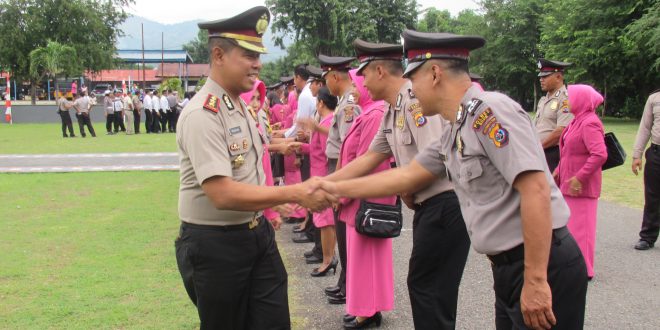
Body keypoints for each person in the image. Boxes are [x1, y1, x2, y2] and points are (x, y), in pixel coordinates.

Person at [311, 30, 589, 330]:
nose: (411, 89)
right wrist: (329, 187)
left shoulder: (489, 111)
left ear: (434, 73)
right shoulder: (455, 129)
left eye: (413, 79)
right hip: (508, 269)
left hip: (541, 265)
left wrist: (535, 280)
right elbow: (406, 175)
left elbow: (535, 190)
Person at [174, 7, 335, 329]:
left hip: (255, 234)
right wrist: (294, 193)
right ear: (218, 54)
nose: (258, 64)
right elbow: (221, 193)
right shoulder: (203, 113)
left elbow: (248, 167)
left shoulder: (238, 106)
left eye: (258, 55)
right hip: (216, 245)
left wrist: (275, 201)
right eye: (248, 55)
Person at [321, 38, 470, 329]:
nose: (359, 80)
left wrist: (405, 188)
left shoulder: (415, 103)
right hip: (429, 208)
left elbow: (437, 161)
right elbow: (368, 159)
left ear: (379, 72)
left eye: (362, 73)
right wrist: (322, 185)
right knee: (425, 287)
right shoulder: (392, 110)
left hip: (446, 205)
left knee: (429, 290)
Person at [318, 54, 362, 305]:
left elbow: (348, 149)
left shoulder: (348, 107)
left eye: (326, 78)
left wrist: (338, 187)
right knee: (341, 231)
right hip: (335, 167)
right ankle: (345, 281)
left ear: (335, 77)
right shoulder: (345, 103)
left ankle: (348, 284)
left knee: (343, 232)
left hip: (340, 169)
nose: (326, 84)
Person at [554, 84, 607, 279]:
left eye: (569, 97)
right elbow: (569, 151)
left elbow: (599, 154)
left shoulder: (590, 122)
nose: (566, 101)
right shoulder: (576, 121)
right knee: (572, 228)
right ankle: (574, 266)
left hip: (582, 187)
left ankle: (585, 270)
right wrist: (558, 171)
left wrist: (580, 176)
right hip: (569, 183)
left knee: (583, 230)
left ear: (581, 100)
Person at [297, 87, 338, 277]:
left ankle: (328, 259)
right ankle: (326, 258)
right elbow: (315, 150)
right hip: (318, 173)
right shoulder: (323, 121)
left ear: (321, 103)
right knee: (322, 220)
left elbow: (325, 152)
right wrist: (299, 146)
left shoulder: (327, 122)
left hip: (322, 176)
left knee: (326, 221)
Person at [632, 89, 660, 250]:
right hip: (656, 153)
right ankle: (647, 237)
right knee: (652, 198)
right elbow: (645, 127)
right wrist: (637, 155)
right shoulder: (654, 98)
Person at [534, 58, 573, 172]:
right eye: (540, 76)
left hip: (553, 153)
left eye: (545, 76)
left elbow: (561, 130)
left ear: (558, 77)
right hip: (540, 151)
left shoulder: (565, 98)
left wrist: (538, 147)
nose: (541, 79)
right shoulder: (544, 99)